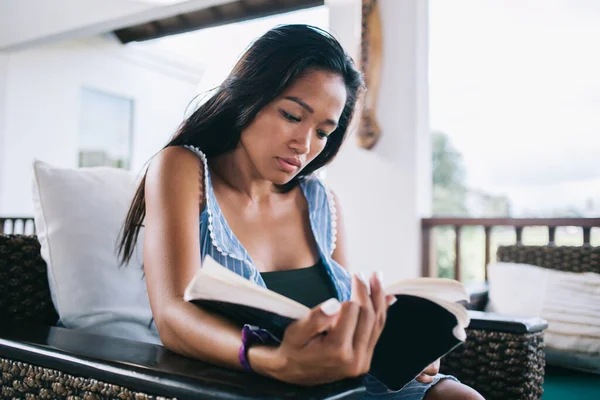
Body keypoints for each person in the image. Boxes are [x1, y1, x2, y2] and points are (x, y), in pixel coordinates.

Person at [118, 24, 483, 400]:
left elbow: (343, 313)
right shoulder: (182, 168)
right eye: (292, 116)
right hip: (255, 382)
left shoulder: (320, 201)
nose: (304, 145)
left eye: (324, 132)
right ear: (248, 97)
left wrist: (395, 344)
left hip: (345, 382)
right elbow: (172, 314)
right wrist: (273, 360)